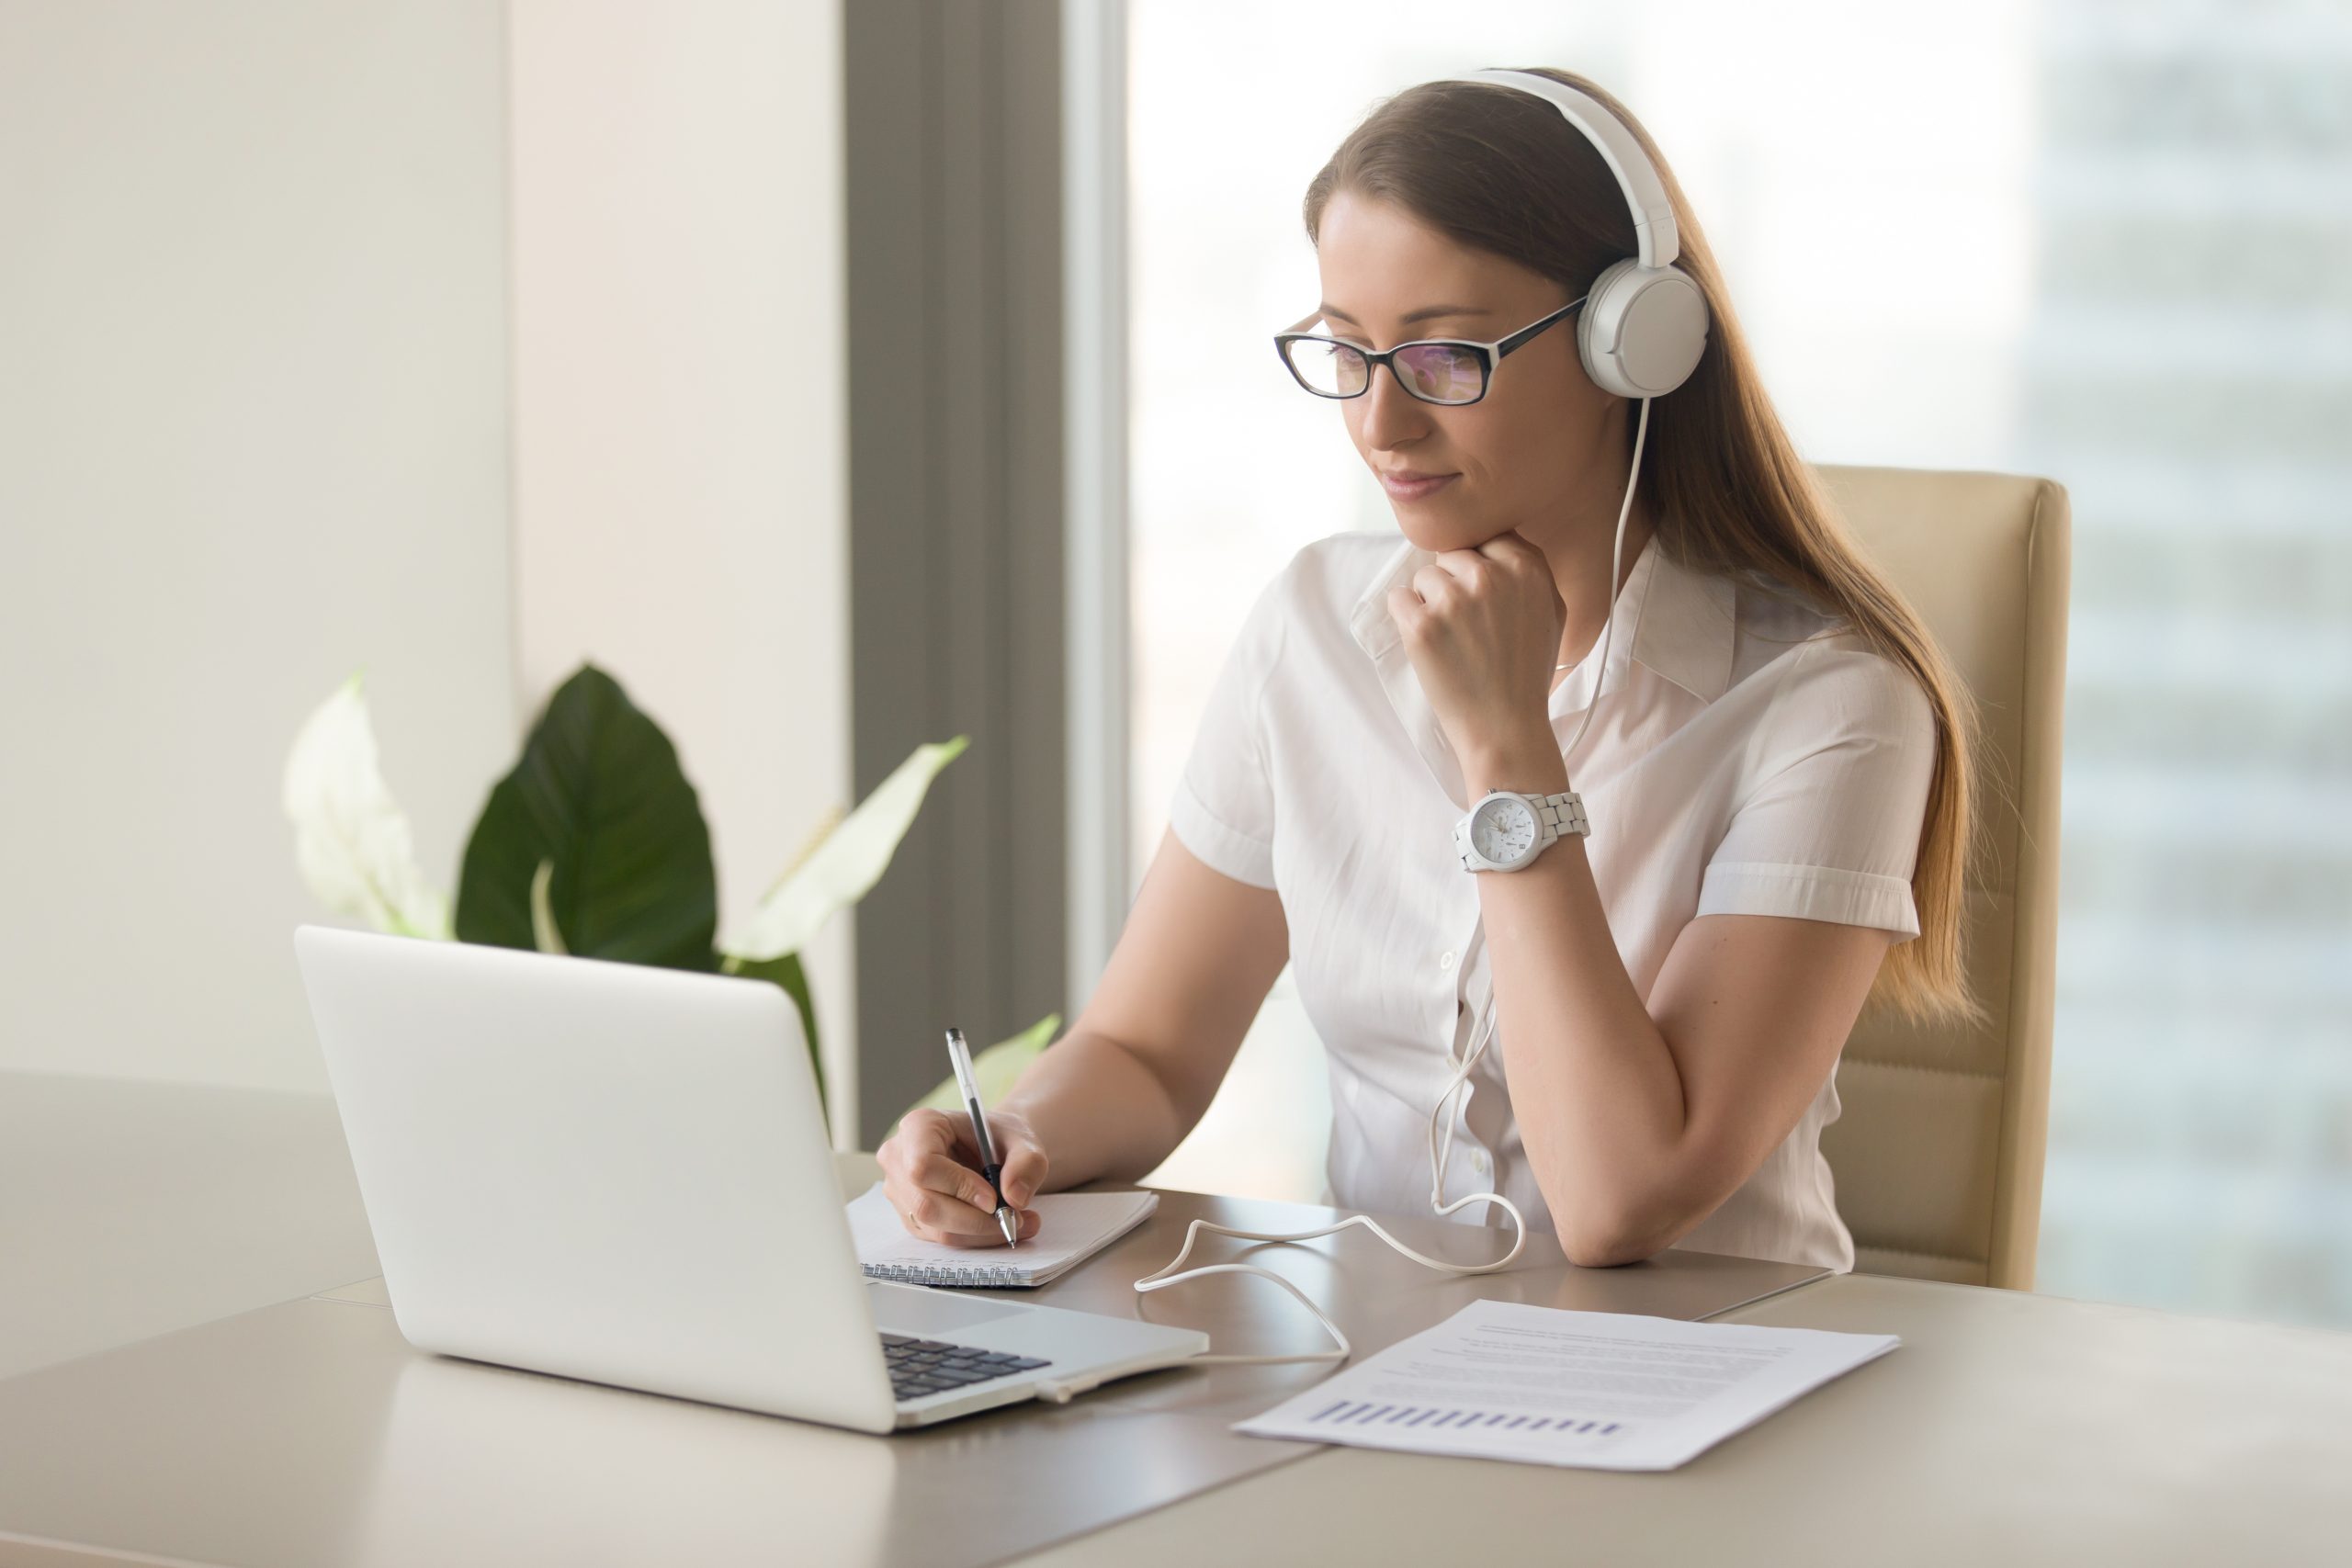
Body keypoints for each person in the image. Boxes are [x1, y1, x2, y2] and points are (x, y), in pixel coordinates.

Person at [879, 68, 1981, 1272]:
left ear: (1635, 344)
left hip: (1707, 1384)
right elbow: (1149, 1050)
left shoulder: (1833, 705)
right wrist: (1017, 1133)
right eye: (1346, 353)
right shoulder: (1313, 625)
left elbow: (1623, 1199)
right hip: (1371, 1363)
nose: (1382, 429)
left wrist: (1508, 745)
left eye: (1447, 358)